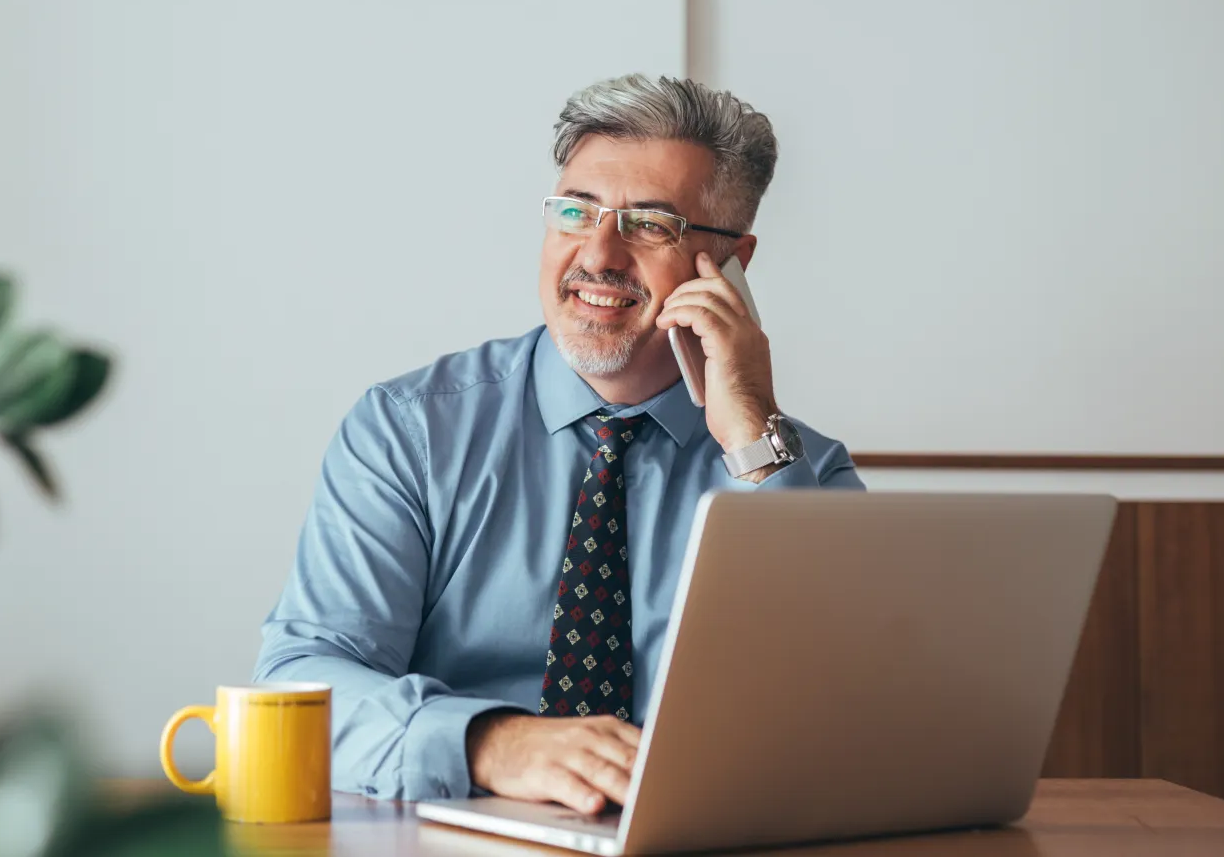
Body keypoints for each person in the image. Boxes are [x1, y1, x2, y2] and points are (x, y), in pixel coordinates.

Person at [253, 74, 862, 815]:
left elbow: (844, 704)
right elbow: (301, 682)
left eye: (648, 224)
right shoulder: (410, 432)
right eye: (575, 211)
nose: (598, 253)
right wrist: (492, 743)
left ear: (732, 260)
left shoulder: (802, 472)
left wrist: (753, 437)